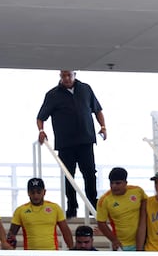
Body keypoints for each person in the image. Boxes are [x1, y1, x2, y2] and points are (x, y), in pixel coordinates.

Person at [37, 70, 107, 218]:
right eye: (63, 75)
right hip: (65, 143)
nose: (67, 78)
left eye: (69, 75)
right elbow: (41, 117)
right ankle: (72, 206)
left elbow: (97, 110)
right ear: (60, 76)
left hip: (86, 140)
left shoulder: (86, 89)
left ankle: (92, 204)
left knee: (89, 173)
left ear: (74, 74)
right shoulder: (53, 95)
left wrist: (103, 127)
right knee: (68, 175)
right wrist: (41, 131)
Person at [8, 177, 74, 256]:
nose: (35, 195)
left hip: (52, 255)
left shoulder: (55, 208)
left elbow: (65, 230)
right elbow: (12, 233)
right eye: (32, 192)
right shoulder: (20, 210)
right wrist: (10, 243)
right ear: (28, 193)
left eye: (39, 192)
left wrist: (72, 250)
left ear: (44, 192)